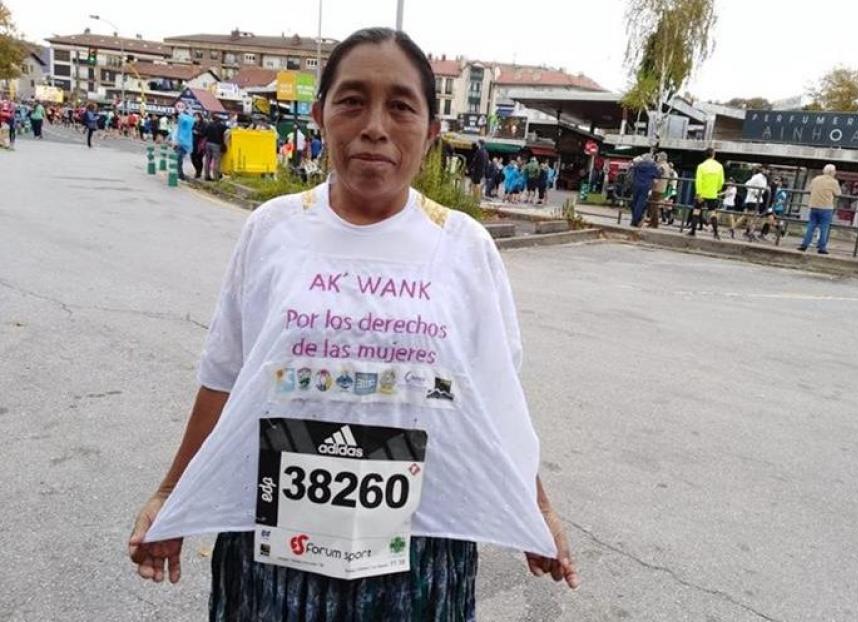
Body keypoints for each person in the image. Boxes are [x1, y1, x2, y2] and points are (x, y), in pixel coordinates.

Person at [128, 27, 578, 620]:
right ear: (320, 116)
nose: (374, 127)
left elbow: (495, 396)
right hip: (273, 555)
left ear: (431, 131)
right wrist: (172, 493)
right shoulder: (273, 230)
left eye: (401, 107)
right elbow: (226, 377)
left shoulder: (463, 247)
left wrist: (534, 507)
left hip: (419, 554)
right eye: (352, 101)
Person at [798, 163, 841, 254]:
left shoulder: (816, 179)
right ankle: (822, 247)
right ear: (832, 172)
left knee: (811, 225)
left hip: (814, 206)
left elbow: (809, 190)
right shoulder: (834, 182)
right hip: (826, 207)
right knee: (824, 228)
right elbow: (838, 193)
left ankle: (804, 244)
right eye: (834, 171)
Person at [690, 147, 724, 239]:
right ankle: (716, 233)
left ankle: (693, 231)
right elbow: (721, 181)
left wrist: (698, 193)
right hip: (712, 193)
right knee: (712, 213)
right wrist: (717, 189)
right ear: (713, 155)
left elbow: (698, 181)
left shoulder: (701, 166)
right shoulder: (719, 166)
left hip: (702, 193)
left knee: (696, 211)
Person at [731, 166, 767, 241]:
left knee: (746, 216)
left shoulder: (764, 178)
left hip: (757, 200)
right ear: (762, 169)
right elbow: (747, 184)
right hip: (753, 200)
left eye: (769, 170)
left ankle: (733, 228)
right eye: (766, 169)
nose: (768, 171)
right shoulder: (757, 177)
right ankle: (750, 233)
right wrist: (755, 192)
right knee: (754, 218)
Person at [629, 153, 658, 227]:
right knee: (640, 203)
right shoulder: (652, 167)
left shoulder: (638, 165)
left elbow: (631, 168)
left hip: (636, 185)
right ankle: (635, 220)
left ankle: (635, 218)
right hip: (645, 186)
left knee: (634, 202)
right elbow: (657, 176)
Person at [649, 152, 673, 228]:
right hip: (662, 187)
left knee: (654, 205)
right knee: (655, 204)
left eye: (658, 157)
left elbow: (657, 175)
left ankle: (654, 223)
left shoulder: (661, 166)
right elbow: (670, 177)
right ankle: (652, 222)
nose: (657, 158)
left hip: (657, 187)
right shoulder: (667, 166)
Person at [173, 110, 195, 181]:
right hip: (178, 144)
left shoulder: (185, 126)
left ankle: (180, 176)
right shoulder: (179, 126)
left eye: (174, 118)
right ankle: (180, 175)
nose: (173, 119)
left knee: (178, 160)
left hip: (181, 145)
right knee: (178, 161)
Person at [203, 115, 227, 181]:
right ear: (219, 120)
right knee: (216, 161)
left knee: (207, 161)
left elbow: (204, 134)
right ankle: (216, 177)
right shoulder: (222, 126)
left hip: (208, 144)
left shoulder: (209, 125)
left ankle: (207, 176)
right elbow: (229, 130)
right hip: (216, 145)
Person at [191, 112, 207, 179]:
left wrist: (197, 133)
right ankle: (197, 170)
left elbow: (205, 133)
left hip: (200, 144)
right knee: (192, 158)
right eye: (194, 117)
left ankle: (198, 172)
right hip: (194, 143)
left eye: (196, 117)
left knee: (199, 158)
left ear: (200, 117)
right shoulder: (194, 123)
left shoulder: (204, 124)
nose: (195, 118)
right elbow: (192, 130)